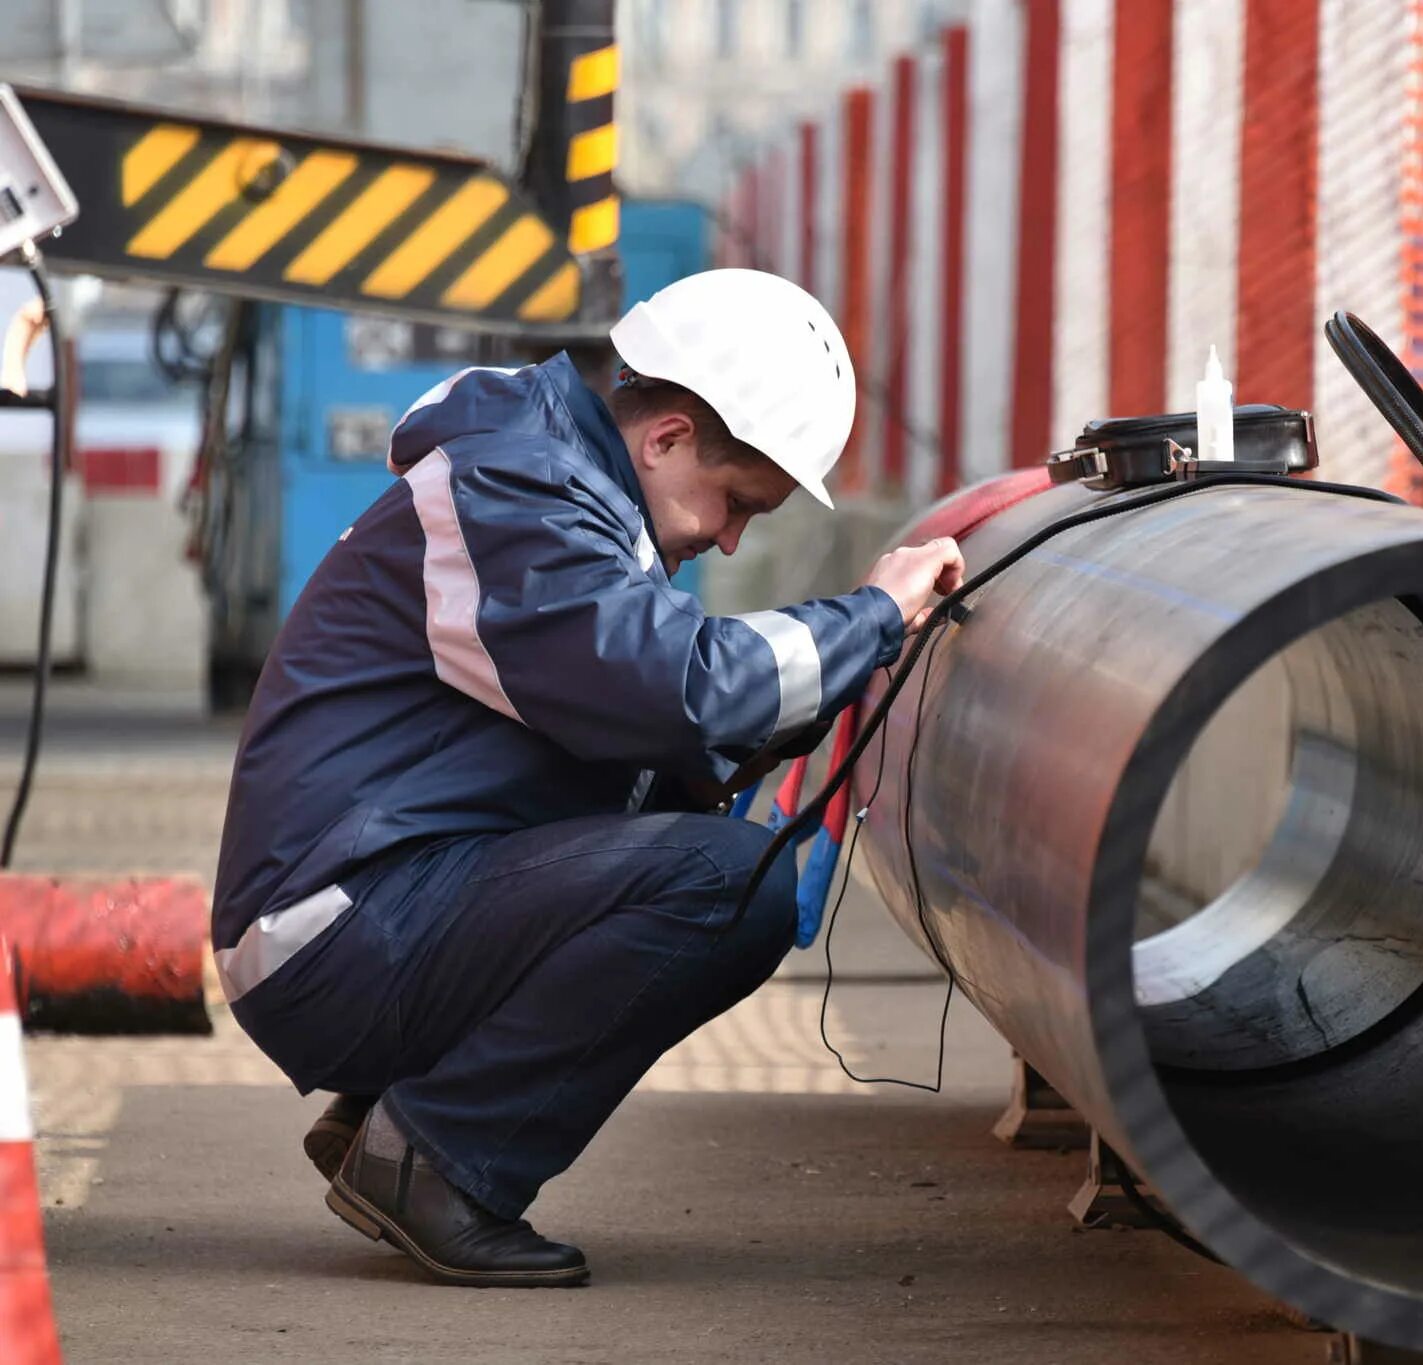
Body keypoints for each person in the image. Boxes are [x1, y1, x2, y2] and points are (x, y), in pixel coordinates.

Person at [210, 269, 964, 1287]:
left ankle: (392, 1121)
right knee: (724, 882)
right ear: (665, 438)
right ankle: (435, 1165)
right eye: (734, 501)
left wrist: (794, 703)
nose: (729, 538)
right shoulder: (515, 494)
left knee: (700, 842)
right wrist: (871, 617)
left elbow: (649, 733)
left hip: (363, 906)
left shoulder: (553, 490)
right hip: (332, 940)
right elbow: (672, 687)